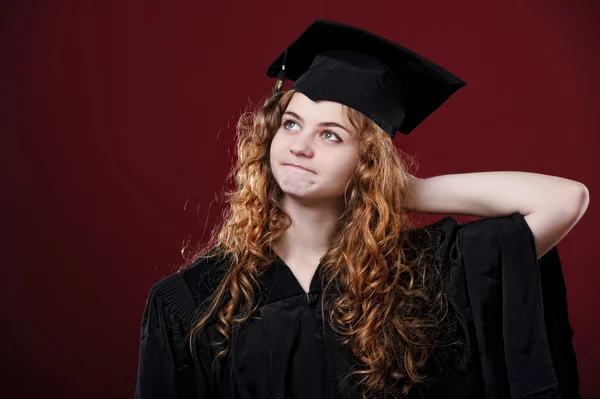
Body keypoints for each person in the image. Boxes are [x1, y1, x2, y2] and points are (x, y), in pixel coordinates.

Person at [134, 20, 587, 398]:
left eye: (331, 134)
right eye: (291, 124)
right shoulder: (196, 300)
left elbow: (564, 200)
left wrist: (411, 190)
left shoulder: (423, 273)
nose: (300, 147)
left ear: (367, 163)